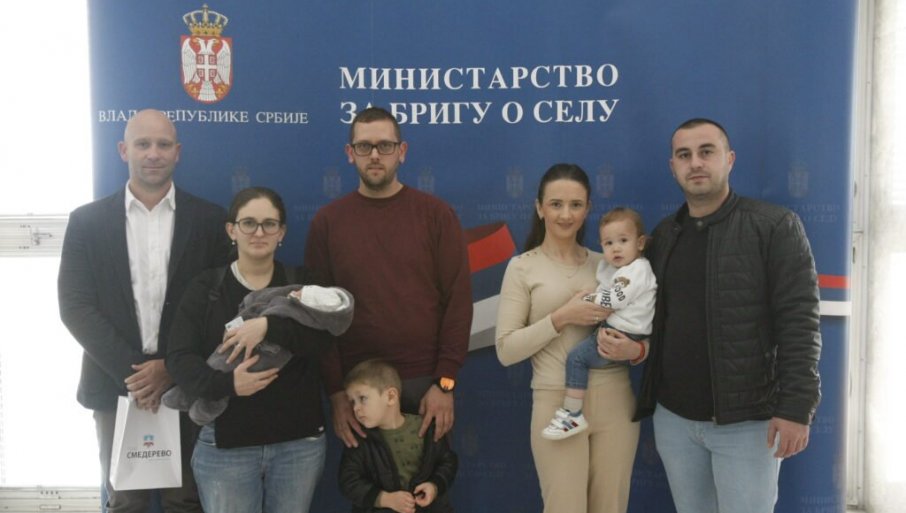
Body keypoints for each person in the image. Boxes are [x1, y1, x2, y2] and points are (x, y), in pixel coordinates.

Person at [613, 118, 822, 513]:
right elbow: (653, 319)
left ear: (729, 159)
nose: (695, 163)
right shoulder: (664, 235)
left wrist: (797, 407)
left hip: (747, 424)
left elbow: (800, 322)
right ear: (672, 166)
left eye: (706, 152)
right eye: (684, 155)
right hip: (674, 420)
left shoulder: (774, 226)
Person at [58, 109, 229, 513]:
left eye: (163, 144)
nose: (153, 153)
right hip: (114, 383)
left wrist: (172, 367)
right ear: (123, 150)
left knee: (186, 501)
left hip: (185, 382)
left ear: (177, 152)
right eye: (143, 144)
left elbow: (221, 303)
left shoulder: (210, 220)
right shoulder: (86, 222)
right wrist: (137, 375)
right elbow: (75, 306)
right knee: (124, 503)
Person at [304, 106, 472, 447]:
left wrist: (445, 383)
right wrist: (336, 392)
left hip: (425, 385)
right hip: (358, 389)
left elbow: (458, 302)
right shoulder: (328, 222)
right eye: (364, 146)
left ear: (402, 151)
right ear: (350, 153)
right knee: (366, 483)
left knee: (430, 482)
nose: (375, 155)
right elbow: (319, 317)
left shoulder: (436, 215)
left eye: (385, 145)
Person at [165, 187, 332, 513]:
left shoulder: (303, 283)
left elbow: (325, 340)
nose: (259, 232)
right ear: (232, 230)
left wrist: (268, 327)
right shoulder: (206, 288)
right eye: (249, 223)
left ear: (281, 232)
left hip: (298, 446)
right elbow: (179, 359)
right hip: (226, 447)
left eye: (269, 224)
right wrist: (228, 385)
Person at [495, 164, 643, 513]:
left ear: (588, 208)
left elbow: (644, 325)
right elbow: (506, 350)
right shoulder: (522, 267)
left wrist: (636, 349)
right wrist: (562, 317)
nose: (565, 214)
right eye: (556, 204)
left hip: (615, 400)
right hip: (555, 402)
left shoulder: (610, 264)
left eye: (576, 205)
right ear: (539, 208)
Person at [541, 207, 656, 441]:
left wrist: (587, 299)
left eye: (623, 241)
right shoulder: (617, 268)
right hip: (619, 331)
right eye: (608, 243)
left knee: (577, 358)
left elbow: (616, 298)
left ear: (640, 243)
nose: (616, 248)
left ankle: (573, 414)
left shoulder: (636, 270)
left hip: (622, 334)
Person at [339, 359, 458, 513]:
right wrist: (384, 499)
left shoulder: (426, 428)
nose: (356, 408)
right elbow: (348, 481)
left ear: (391, 397)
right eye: (352, 402)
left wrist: (434, 486)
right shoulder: (359, 440)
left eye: (362, 398)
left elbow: (448, 462)